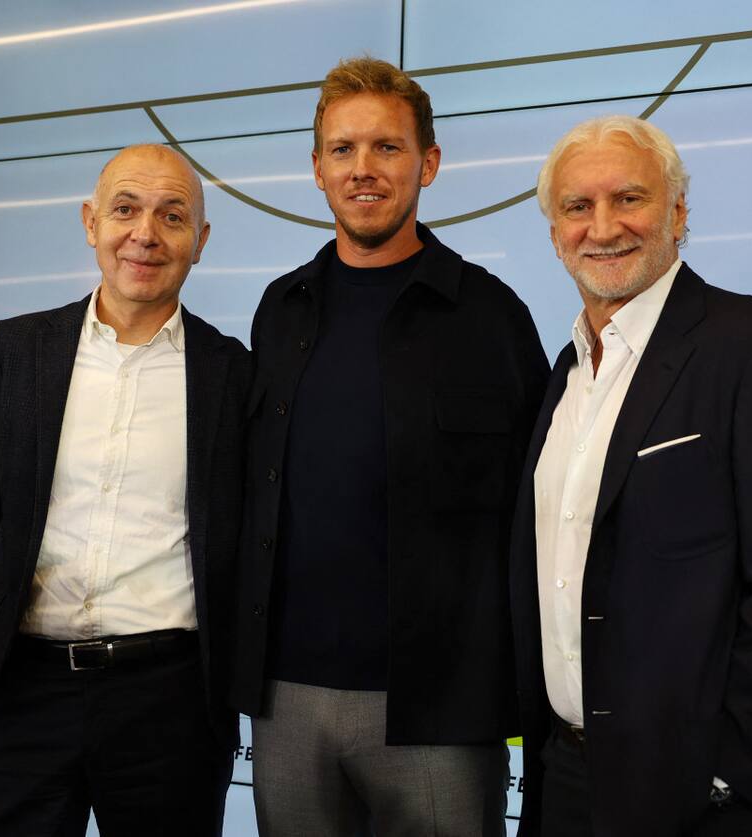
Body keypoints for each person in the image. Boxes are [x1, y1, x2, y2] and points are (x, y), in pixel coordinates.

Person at [509, 115, 752, 837]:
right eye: (577, 207)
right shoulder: (569, 370)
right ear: (554, 232)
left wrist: (727, 769)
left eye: (629, 198)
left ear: (677, 212)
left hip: (706, 797)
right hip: (570, 779)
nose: (602, 225)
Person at [230, 57, 549, 836]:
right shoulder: (281, 309)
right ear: (316, 168)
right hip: (285, 698)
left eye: (387, 147)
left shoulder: (492, 315)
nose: (363, 169)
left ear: (428, 163)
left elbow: (541, 508)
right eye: (342, 150)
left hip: (440, 704)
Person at [0, 144, 249, 836]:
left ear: (199, 243)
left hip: (168, 702)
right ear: (91, 222)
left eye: (172, 216)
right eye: (125, 209)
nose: (145, 232)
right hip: (23, 692)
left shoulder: (231, 373)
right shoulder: (20, 350)